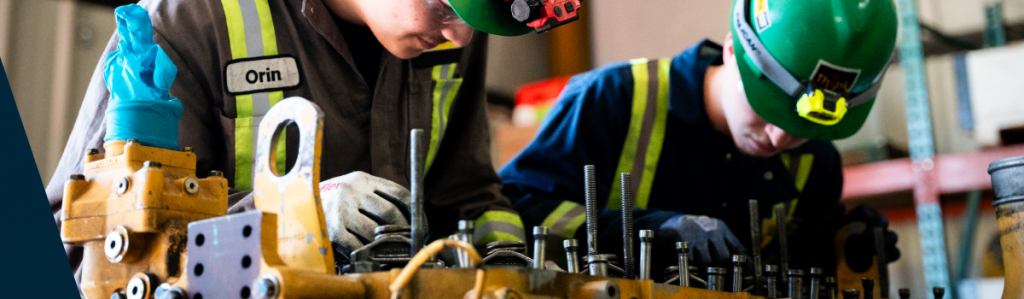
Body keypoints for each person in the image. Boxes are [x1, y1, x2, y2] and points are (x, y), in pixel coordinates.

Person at [48, 0, 532, 283]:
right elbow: (81, 246)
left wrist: (507, 265)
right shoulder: (185, 22)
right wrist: (297, 217)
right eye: (445, 5)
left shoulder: (446, 32)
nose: (462, 37)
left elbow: (465, 193)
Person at [499, 0, 901, 277]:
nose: (780, 137)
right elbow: (514, 210)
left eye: (805, 127)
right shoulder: (612, 101)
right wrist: (652, 231)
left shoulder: (817, 161)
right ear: (732, 50)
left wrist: (837, 246)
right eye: (769, 108)